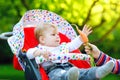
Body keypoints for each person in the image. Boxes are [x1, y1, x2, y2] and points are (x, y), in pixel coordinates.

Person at [26, 23, 114, 80]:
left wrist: (81, 37)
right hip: (53, 70)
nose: (57, 37)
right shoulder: (40, 49)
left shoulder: (62, 47)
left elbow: (73, 45)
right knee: (58, 75)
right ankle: (68, 77)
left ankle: (98, 72)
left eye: (58, 34)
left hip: (69, 67)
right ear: (42, 39)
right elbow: (28, 54)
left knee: (82, 71)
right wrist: (39, 53)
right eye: (53, 35)